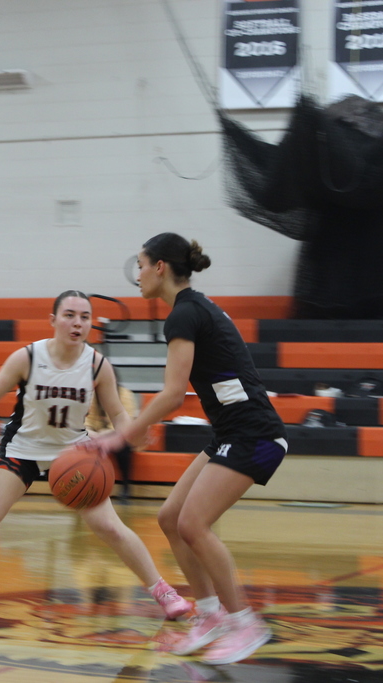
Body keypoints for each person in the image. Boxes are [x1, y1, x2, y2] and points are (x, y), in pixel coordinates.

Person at [0, 291, 192, 622]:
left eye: (84, 316)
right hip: (23, 448)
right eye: (69, 315)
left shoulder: (97, 365)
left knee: (111, 528)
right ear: (53, 320)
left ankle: (164, 593)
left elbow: (120, 416)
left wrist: (134, 432)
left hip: (73, 453)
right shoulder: (27, 357)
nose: (77, 322)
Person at [89, 234, 287, 665]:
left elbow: (174, 394)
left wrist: (124, 433)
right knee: (170, 519)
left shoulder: (184, 314)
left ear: (160, 267)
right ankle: (211, 615)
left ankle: (244, 622)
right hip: (231, 432)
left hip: (254, 433)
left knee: (194, 524)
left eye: (140, 265)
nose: (136, 275)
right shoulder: (195, 307)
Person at [85, 383, 139, 499]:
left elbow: (126, 426)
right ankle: (84, 486)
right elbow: (86, 424)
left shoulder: (125, 394)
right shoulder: (92, 396)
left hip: (120, 434)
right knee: (83, 443)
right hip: (98, 435)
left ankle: (125, 487)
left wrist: (104, 435)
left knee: (124, 446)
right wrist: (93, 435)